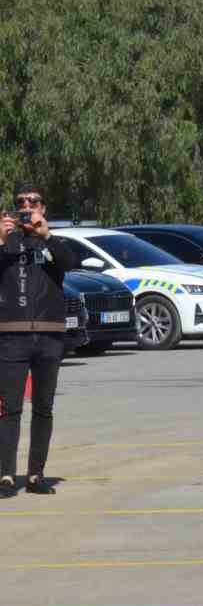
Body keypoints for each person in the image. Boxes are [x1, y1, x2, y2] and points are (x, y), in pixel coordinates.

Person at [0, 185, 79, 497]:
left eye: (33, 202)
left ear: (43, 208)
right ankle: (6, 475)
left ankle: (35, 475)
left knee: (44, 407)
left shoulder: (53, 241)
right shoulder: (7, 241)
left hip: (49, 335)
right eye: (20, 202)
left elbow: (70, 263)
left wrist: (47, 236)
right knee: (9, 409)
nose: (26, 207)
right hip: (10, 335)